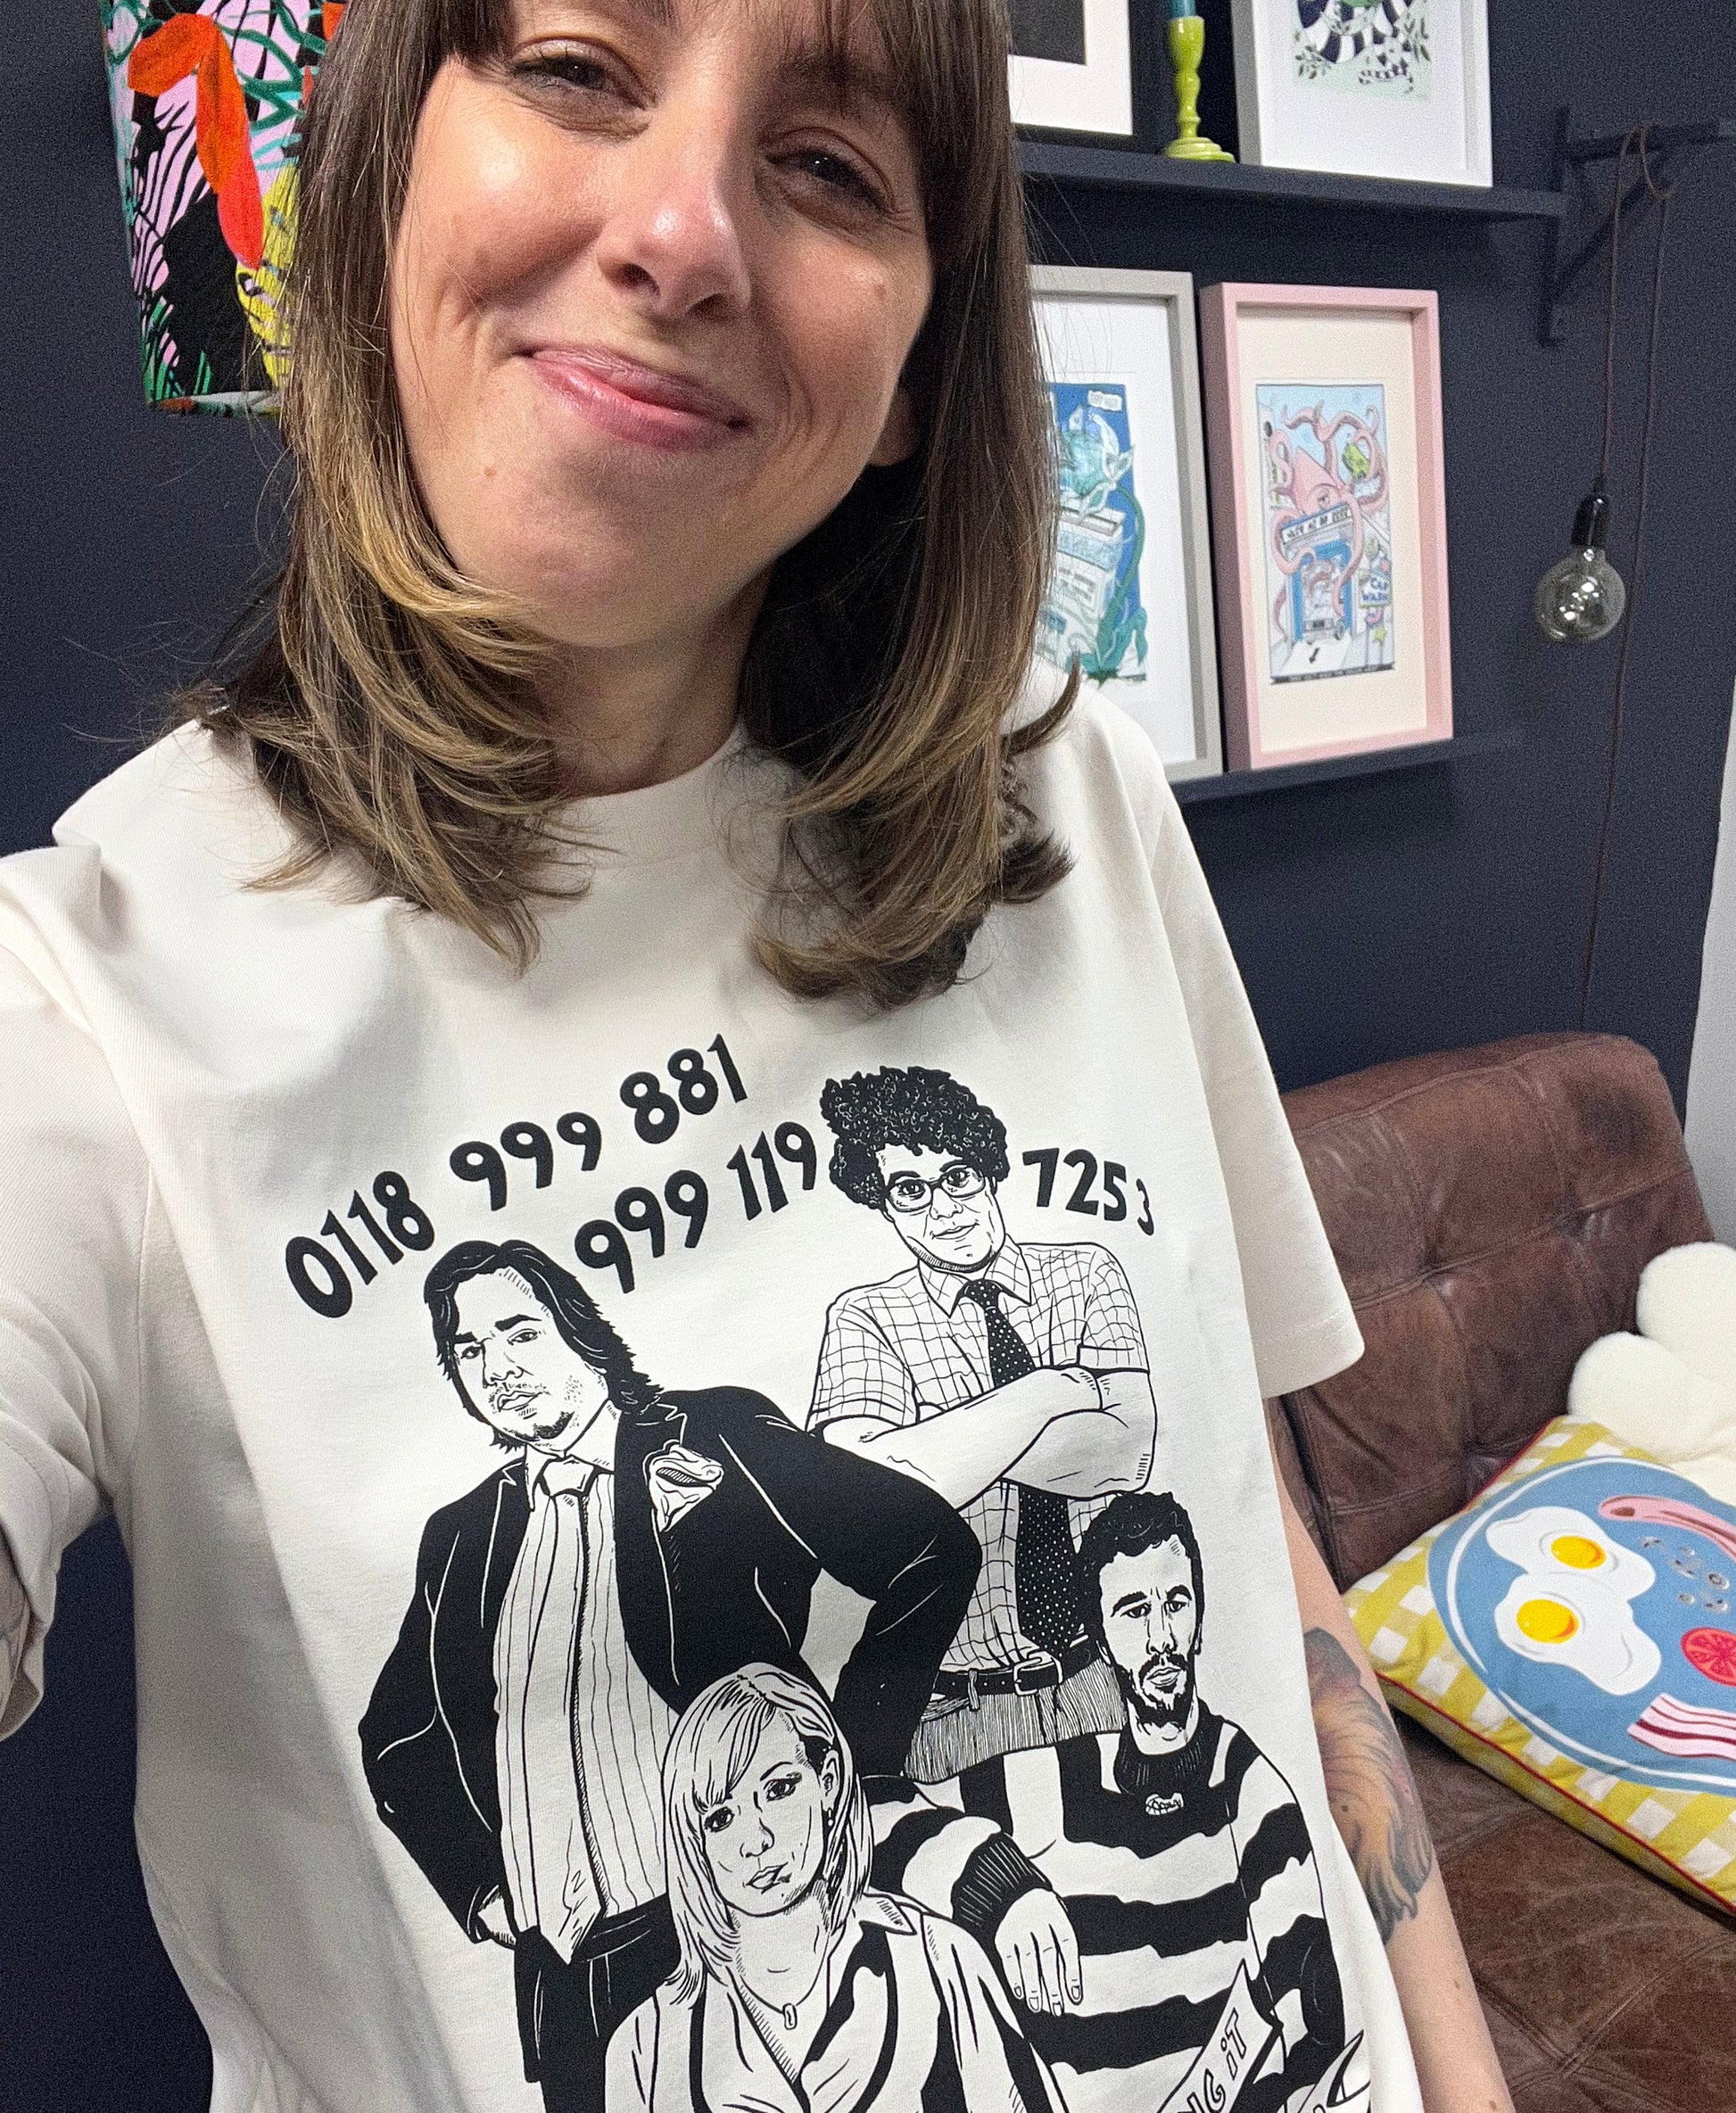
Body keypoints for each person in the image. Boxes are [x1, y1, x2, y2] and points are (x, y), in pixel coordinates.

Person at [0, 0, 1513, 2108]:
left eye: (828, 167)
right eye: (576, 69)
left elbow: (1250, 1530)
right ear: (381, 168)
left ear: (913, 374)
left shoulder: (1069, 796)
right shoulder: (93, 991)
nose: (687, 229)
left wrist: (1460, 2069)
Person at [360, 1236, 993, 2104]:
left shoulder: (713, 1435)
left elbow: (929, 1547)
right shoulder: (463, 1535)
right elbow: (396, 1737)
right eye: (469, 1350)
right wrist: (482, 1890)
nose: (496, 1367)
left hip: (732, 1939)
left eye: (519, 1333)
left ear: (581, 1332)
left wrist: (854, 1759)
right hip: (566, 1982)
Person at [940, 1490, 1352, 2113]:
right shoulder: (1055, 1777)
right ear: (1102, 1641)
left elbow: (1311, 2019)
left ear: (1199, 1619)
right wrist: (997, 1886)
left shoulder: (1249, 1787)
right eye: (1134, 1612)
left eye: (1175, 1604)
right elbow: (871, 1817)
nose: (1162, 1638)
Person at [810, 1063, 1156, 1779]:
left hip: (1102, 1681)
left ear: (990, 1171)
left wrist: (932, 1445)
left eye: (958, 1176)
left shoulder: (1086, 1273)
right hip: (955, 1712)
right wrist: (1046, 1392)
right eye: (910, 1190)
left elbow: (1126, 1452)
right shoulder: (864, 1317)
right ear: (883, 1205)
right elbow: (862, 1498)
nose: (944, 1208)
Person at [606, 1663, 1064, 2112]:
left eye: (778, 1790)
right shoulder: (647, 2045)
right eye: (721, 1817)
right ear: (694, 1840)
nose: (756, 1841)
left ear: (827, 1783)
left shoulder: (938, 1958)